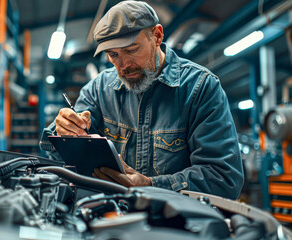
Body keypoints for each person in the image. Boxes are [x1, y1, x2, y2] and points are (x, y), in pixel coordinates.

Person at [40, 0, 244, 199]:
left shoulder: (201, 89)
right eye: (113, 54)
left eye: (131, 50)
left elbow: (224, 179)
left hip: (179, 225)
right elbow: (59, 158)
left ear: (156, 36)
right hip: (112, 219)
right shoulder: (98, 90)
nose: (123, 65)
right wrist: (65, 131)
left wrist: (152, 186)